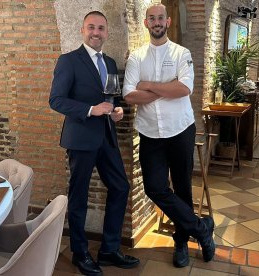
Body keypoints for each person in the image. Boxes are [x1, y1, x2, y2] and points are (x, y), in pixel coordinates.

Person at [122, 3, 215, 268]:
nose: (157, 22)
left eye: (161, 17)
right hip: (150, 132)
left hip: (180, 129)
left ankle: (181, 243)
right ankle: (201, 229)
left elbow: (184, 88)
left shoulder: (181, 53)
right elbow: (129, 95)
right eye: (152, 18)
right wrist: (166, 88)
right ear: (146, 23)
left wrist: (148, 86)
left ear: (168, 20)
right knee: (154, 187)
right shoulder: (137, 57)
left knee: (183, 187)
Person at [49, 11, 139, 276]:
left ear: (107, 32)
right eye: (91, 27)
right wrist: (90, 109)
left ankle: (109, 250)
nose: (96, 32)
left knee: (121, 187)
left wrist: (117, 110)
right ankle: (80, 253)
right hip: (80, 139)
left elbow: (111, 99)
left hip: (107, 137)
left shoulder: (110, 62)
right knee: (79, 196)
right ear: (82, 30)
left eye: (101, 28)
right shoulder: (69, 61)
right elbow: (56, 100)